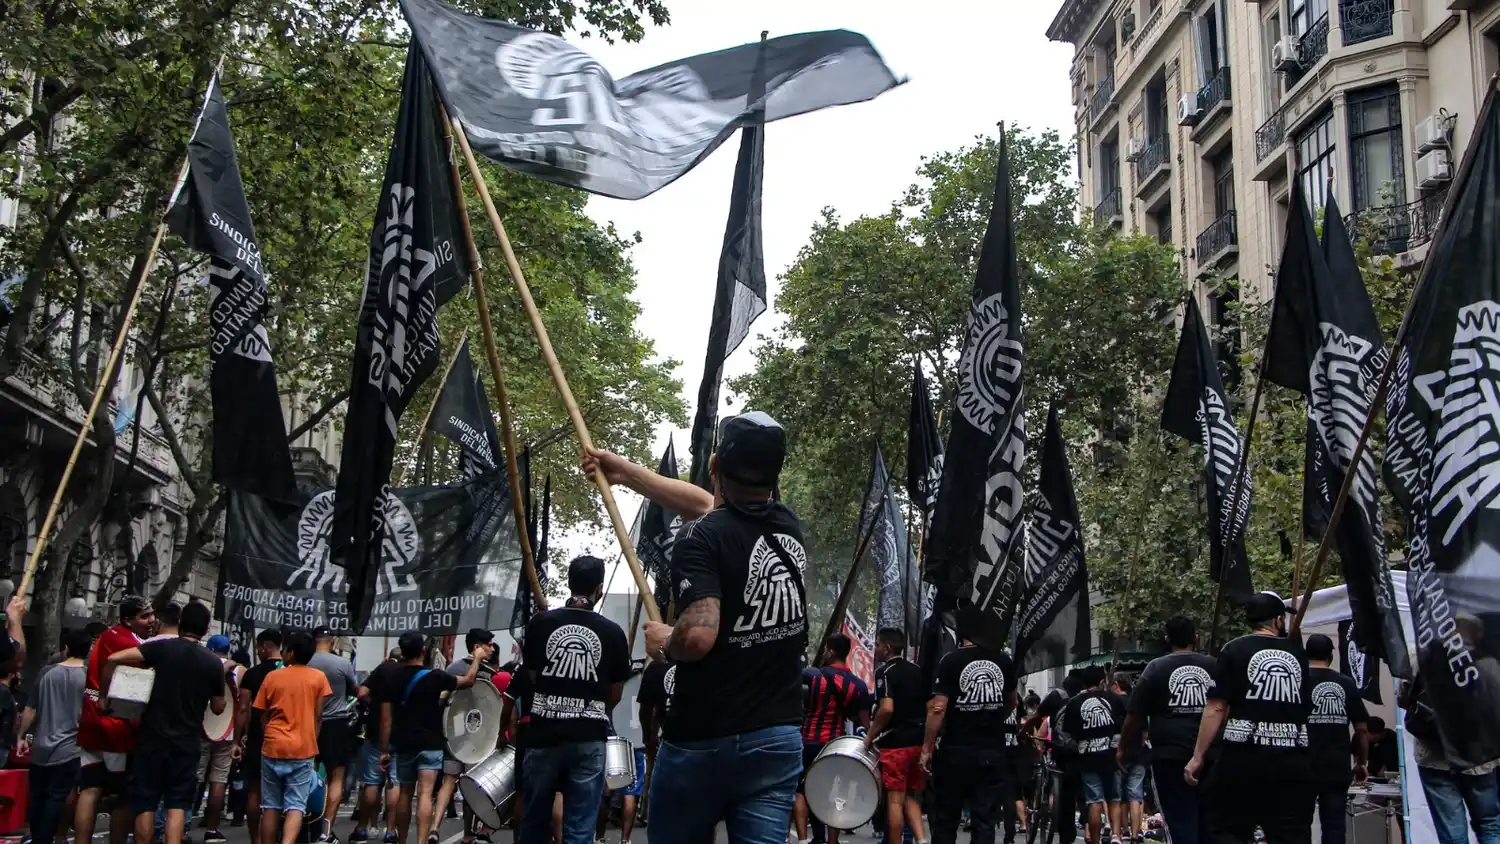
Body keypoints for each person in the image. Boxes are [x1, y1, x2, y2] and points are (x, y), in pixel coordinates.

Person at [595, 411, 805, 844]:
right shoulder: (786, 525)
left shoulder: (700, 536)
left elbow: (697, 637)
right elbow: (710, 505)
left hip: (704, 739)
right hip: (777, 738)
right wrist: (627, 473)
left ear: (714, 466)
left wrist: (665, 641)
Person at [517, 555, 629, 844]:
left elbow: (532, 676)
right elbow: (615, 694)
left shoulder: (540, 624)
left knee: (534, 825)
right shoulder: (613, 632)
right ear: (600, 588)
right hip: (589, 737)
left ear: (569, 583)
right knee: (580, 830)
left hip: (543, 735)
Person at [1185, 592, 1314, 843]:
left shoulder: (1234, 650)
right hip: (1291, 762)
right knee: (1291, 834)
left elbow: (1216, 708)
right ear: (1278, 620)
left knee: (1231, 831)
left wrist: (1198, 756)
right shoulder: (1298, 655)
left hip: (1242, 760)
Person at [104, 601, 228, 844]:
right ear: (205, 630)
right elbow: (218, 706)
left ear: (180, 624)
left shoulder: (161, 649)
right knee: (177, 805)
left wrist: (106, 694)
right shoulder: (213, 663)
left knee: (146, 804)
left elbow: (114, 658)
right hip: (187, 743)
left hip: (152, 739)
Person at [381, 631, 493, 844]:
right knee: (425, 793)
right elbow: (469, 680)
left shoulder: (392, 678)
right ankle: (422, 841)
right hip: (430, 743)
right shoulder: (435, 676)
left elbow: (386, 720)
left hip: (404, 742)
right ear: (423, 651)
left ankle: (402, 839)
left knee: (405, 792)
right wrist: (476, 659)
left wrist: (384, 750)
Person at [922, 606, 1017, 844]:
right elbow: (1012, 701)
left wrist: (926, 748)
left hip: (956, 751)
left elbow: (938, 708)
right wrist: (992, 713)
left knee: (946, 820)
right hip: (992, 751)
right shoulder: (1003, 661)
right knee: (984, 821)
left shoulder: (950, 661)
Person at [1119, 616, 1215, 844]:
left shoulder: (1155, 669)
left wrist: (1122, 746)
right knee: (1208, 822)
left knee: (1179, 821)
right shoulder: (1213, 665)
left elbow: (1135, 714)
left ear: (1166, 638)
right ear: (1195, 637)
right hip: (1210, 754)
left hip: (1170, 756)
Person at [76, 595, 156, 844]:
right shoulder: (131, 645)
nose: (152, 620)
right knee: (123, 796)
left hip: (91, 720)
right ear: (128, 620)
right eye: (145, 616)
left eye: (152, 614)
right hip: (118, 727)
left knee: (89, 789)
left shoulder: (106, 637)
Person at [794, 634, 872, 844]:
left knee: (801, 791)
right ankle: (831, 841)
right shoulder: (858, 685)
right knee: (833, 793)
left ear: (830, 651)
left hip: (808, 740)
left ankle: (803, 840)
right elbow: (865, 723)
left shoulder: (812, 676)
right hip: (834, 746)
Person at [255, 631, 331, 844]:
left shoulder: (272, 677)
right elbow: (318, 716)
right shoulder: (318, 678)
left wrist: (269, 734)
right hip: (303, 748)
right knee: (296, 805)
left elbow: (262, 713)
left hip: (273, 746)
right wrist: (311, 739)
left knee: (270, 805)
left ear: (291, 653)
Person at [20, 627, 89, 844]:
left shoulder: (46, 672)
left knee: (37, 796)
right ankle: (45, 838)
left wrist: (21, 736)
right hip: (70, 748)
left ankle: (36, 837)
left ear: (66, 648)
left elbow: (30, 708)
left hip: (40, 747)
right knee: (57, 796)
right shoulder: (87, 677)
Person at [435, 628, 499, 844]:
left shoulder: (484, 671)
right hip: (463, 737)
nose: (492, 649)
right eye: (489, 644)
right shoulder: (459, 668)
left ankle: (439, 829)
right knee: (470, 785)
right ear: (477, 647)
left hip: (468, 736)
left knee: (451, 781)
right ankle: (464, 834)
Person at [1305, 633, 1369, 844]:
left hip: (1302, 764)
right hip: (1336, 766)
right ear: (1331, 656)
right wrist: (1361, 762)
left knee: (1299, 825)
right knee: (1334, 827)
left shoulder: (1297, 681)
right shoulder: (1346, 683)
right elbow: (1361, 729)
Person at [867, 628, 929, 844]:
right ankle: (921, 840)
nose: (875, 649)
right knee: (909, 795)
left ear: (887, 648)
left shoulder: (884, 672)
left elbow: (886, 709)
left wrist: (870, 736)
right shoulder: (918, 671)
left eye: (877, 645)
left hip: (896, 745)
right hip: (918, 742)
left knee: (894, 801)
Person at [1055, 666, 1125, 844]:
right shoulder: (1114, 699)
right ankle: (1116, 836)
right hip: (1111, 756)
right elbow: (1124, 726)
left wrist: (1080, 746)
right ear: (1102, 681)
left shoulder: (1074, 703)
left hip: (1087, 758)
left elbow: (1067, 734)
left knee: (1094, 801)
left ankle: (1095, 840)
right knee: (1114, 798)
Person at [309, 627, 359, 844]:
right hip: (336, 725)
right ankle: (326, 831)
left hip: (308, 723)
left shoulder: (305, 661)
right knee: (336, 778)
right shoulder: (342, 664)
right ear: (333, 641)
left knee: (304, 775)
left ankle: (304, 823)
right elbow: (355, 691)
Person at [1025, 670, 1086, 844]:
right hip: (1083, 751)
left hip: (1061, 751)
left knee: (1065, 795)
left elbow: (1037, 717)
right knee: (1083, 792)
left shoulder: (1056, 696)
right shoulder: (1085, 699)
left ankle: (1066, 835)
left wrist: (1023, 732)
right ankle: (1088, 825)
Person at [236, 630, 285, 844]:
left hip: (259, 737)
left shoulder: (253, 674)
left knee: (255, 789)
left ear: (265, 646)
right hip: (286, 736)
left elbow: (243, 708)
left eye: (258, 647)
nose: (257, 651)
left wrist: (237, 739)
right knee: (285, 792)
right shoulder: (290, 671)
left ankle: (256, 838)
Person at [353, 648, 404, 844]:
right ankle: (390, 831)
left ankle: (362, 828)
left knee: (371, 783)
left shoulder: (383, 669)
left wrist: (372, 704)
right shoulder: (409, 672)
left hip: (375, 733)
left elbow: (361, 692)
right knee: (395, 784)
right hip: (401, 736)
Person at [201, 634, 242, 844]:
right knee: (219, 781)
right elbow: (243, 706)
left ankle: (181, 826)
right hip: (228, 731)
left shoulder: (202, 664)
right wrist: (240, 738)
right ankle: (212, 829)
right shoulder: (240, 671)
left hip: (200, 729)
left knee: (194, 778)